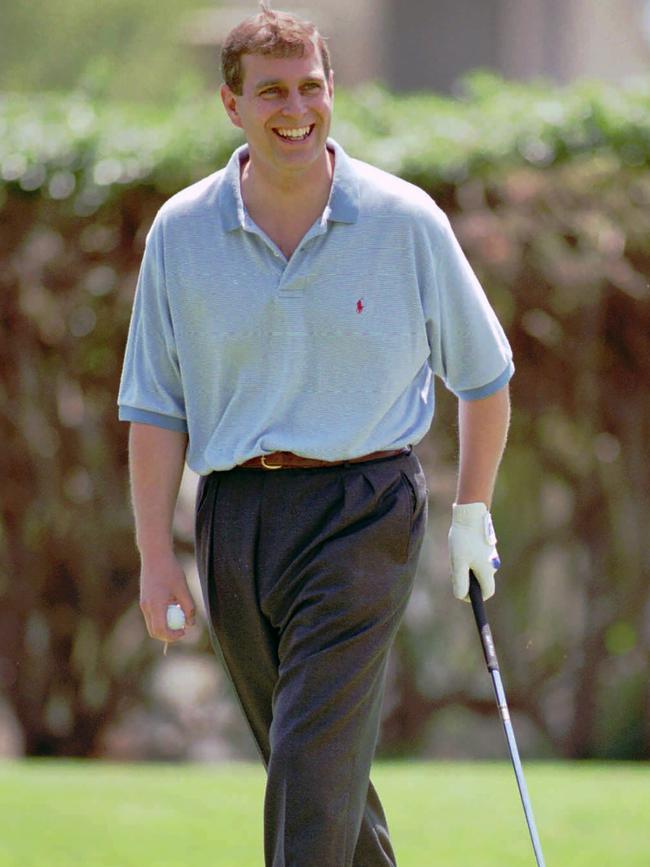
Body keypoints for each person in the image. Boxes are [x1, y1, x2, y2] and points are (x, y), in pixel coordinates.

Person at [117, 3, 512, 865]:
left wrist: (471, 511)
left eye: (311, 86)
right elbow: (155, 405)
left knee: (308, 760)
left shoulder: (404, 221)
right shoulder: (182, 232)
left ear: (334, 90)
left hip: (363, 508)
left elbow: (484, 378)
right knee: (315, 768)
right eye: (271, 92)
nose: (295, 107)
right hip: (236, 517)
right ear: (232, 106)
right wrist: (156, 554)